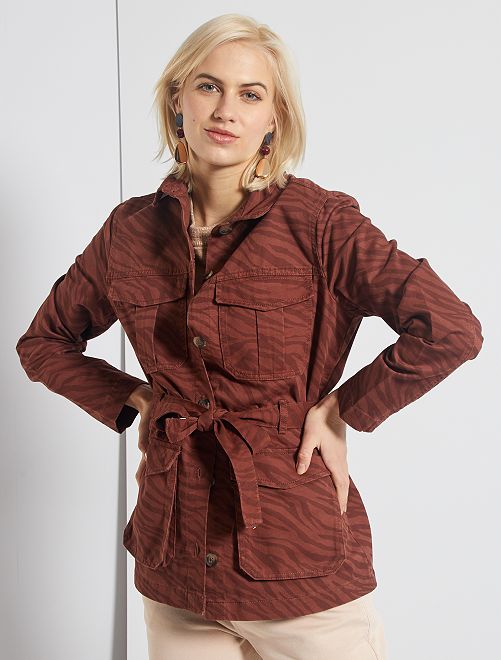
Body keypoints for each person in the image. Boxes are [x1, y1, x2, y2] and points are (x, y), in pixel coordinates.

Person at [16, 13, 484, 660]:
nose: (225, 110)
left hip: (299, 570)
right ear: (176, 100)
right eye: (208, 86)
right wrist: (138, 399)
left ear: (274, 119)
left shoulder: (320, 224)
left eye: (250, 93)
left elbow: (449, 328)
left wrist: (342, 410)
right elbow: (43, 343)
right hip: (175, 569)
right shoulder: (128, 233)